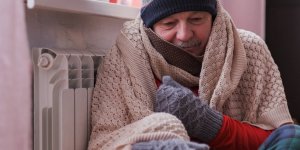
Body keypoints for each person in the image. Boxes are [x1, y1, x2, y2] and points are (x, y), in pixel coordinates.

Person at [88, 0, 300, 149]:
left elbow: (276, 137)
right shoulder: (127, 57)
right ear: (150, 27)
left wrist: (207, 122)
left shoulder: (248, 50)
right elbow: (105, 142)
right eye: (169, 24)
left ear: (213, 17)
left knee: (295, 137)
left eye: (196, 19)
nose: (184, 35)